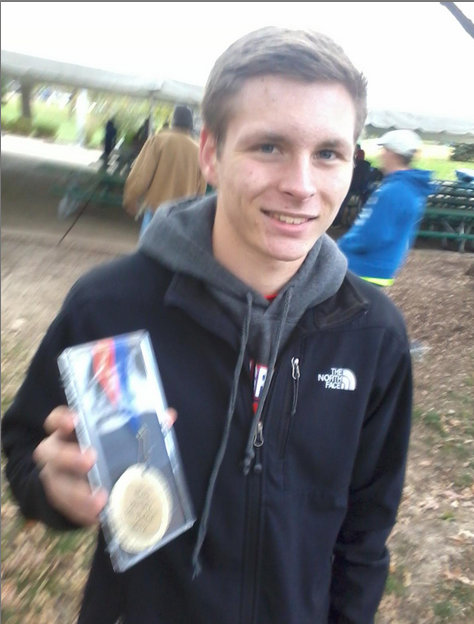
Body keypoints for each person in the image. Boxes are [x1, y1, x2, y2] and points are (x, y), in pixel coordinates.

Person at [2, 27, 413, 623]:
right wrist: (54, 489)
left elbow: (366, 533)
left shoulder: (373, 336)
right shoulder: (109, 306)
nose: (301, 185)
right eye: (269, 146)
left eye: (328, 153)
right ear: (211, 154)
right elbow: (23, 450)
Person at [337, 129, 433, 287]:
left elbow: (374, 234)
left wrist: (339, 248)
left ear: (392, 153)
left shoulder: (394, 191)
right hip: (381, 266)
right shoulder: (409, 188)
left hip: (363, 268)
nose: (380, 155)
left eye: (384, 150)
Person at [123, 104, 207, 236]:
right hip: (183, 217)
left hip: (156, 212)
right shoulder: (198, 151)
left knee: (148, 254)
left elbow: (140, 176)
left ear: (173, 122)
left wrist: (131, 200)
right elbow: (200, 191)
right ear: (190, 126)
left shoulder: (158, 141)